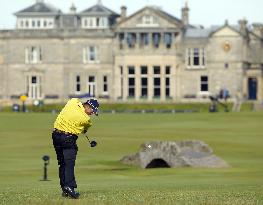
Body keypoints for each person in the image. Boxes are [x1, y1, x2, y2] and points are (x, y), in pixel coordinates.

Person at [52, 98, 99, 199]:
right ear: (88, 107)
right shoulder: (86, 120)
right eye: (92, 111)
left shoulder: (73, 102)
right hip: (68, 138)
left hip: (55, 135)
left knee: (62, 163)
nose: (92, 114)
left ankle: (64, 189)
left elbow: (75, 100)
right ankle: (70, 187)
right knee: (69, 163)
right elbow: (85, 128)